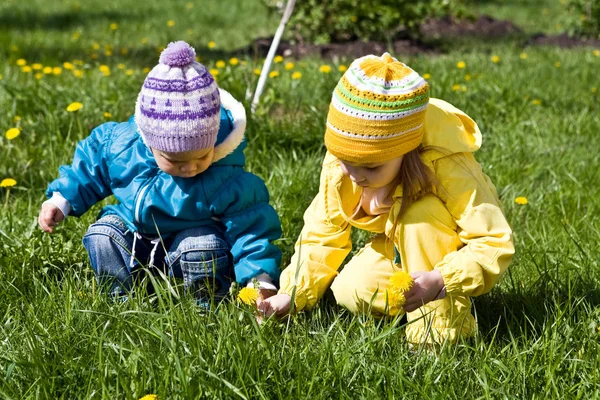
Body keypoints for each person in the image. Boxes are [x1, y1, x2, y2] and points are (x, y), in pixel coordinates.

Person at [260, 53, 514, 344]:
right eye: (345, 160)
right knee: (351, 289)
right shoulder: (344, 162)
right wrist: (292, 294)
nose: (355, 175)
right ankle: (414, 298)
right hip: (398, 243)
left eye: (371, 166)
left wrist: (443, 279)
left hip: (445, 246)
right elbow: (322, 233)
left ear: (405, 150)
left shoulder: (444, 161)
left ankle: (437, 333)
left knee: (419, 216)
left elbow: (493, 241)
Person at [38, 41, 282, 306]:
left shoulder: (226, 176)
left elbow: (251, 229)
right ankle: (119, 300)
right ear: (149, 142)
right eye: (174, 160)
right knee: (103, 235)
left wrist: (260, 281)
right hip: (135, 234)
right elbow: (90, 167)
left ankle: (204, 305)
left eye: (202, 156)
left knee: (203, 248)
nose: (190, 167)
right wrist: (61, 199)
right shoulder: (123, 147)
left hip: (189, 244)